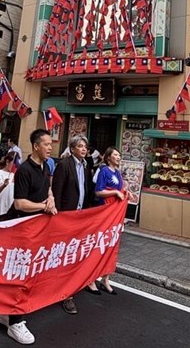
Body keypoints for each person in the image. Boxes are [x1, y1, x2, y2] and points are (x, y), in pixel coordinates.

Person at [0, 129, 57, 345]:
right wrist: (43, 207)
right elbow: (20, 203)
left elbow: (48, 189)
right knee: (20, 274)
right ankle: (15, 322)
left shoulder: (46, 166)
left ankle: (4, 313)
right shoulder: (24, 170)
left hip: (38, 229)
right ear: (36, 146)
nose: (50, 147)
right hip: (22, 229)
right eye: (46, 144)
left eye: (51, 144)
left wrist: (51, 199)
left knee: (31, 273)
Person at [52, 134, 95, 314]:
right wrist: (58, 217)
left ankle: (67, 289)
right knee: (63, 255)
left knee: (73, 255)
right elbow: (57, 191)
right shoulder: (64, 165)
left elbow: (87, 190)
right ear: (72, 149)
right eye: (80, 146)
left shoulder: (86, 166)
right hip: (65, 217)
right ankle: (64, 294)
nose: (84, 149)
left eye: (85, 146)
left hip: (80, 217)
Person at [92, 146, 129, 295]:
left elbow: (120, 191)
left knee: (112, 247)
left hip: (116, 215)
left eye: (119, 155)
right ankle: (91, 279)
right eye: (115, 155)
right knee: (99, 246)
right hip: (105, 213)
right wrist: (114, 192)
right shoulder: (104, 171)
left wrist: (125, 192)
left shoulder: (118, 173)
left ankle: (105, 278)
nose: (118, 157)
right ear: (108, 158)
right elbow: (99, 191)